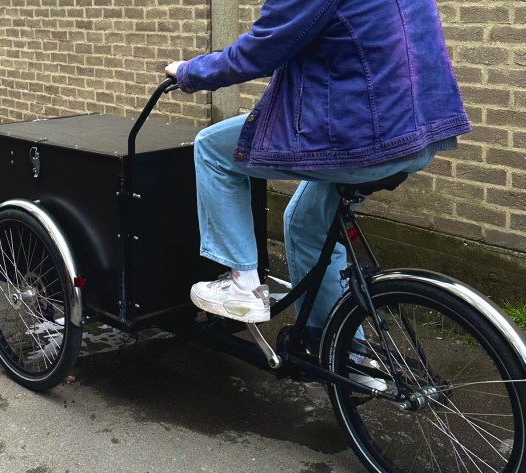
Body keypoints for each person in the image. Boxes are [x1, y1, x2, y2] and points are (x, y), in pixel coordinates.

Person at [166, 0, 470, 334]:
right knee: (305, 224)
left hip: (365, 138)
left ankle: (242, 284)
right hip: (421, 133)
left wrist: (189, 72)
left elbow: (262, 49)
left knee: (212, 148)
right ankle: (338, 346)